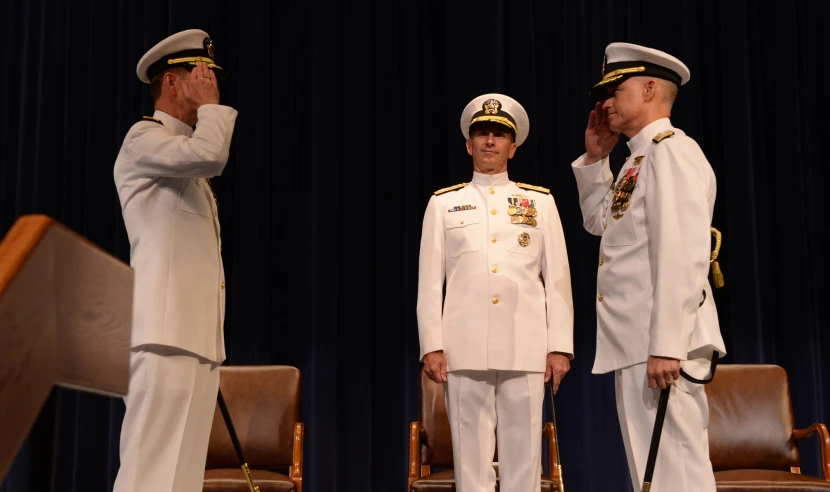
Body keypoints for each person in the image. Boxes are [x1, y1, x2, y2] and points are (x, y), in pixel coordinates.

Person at [571, 42, 726, 491]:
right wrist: (597, 160)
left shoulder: (672, 151)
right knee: (653, 477)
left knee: (677, 473)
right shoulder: (638, 158)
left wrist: (667, 344)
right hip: (640, 342)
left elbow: (683, 255)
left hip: (662, 346)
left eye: (615, 89)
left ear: (649, 89)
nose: (605, 103)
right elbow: (601, 223)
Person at [417, 93, 574, 491]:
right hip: (463, 347)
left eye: (499, 135)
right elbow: (430, 282)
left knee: (524, 462)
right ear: (469, 145)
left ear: (513, 146)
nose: (490, 141)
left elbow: (557, 279)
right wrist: (431, 345)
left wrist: (559, 346)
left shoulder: (540, 202)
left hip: (526, 345)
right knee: (471, 462)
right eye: (482, 134)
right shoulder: (443, 204)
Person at [112, 29, 238, 491]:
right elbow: (210, 154)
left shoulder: (185, 161)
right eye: (199, 74)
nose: (210, 83)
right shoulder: (143, 139)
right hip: (162, 335)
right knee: (149, 471)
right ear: (171, 81)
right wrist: (212, 109)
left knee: (183, 478)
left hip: (198, 338)